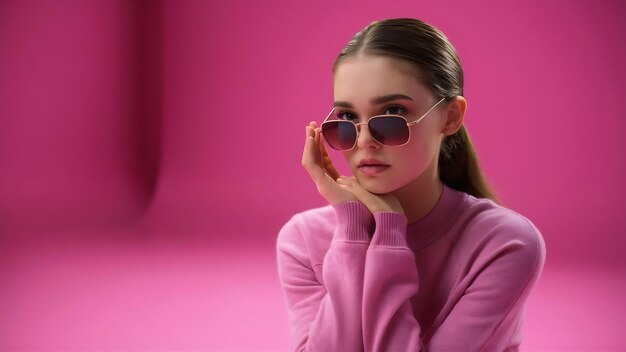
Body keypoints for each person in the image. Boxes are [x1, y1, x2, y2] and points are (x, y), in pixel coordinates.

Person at [276, 18, 546, 352]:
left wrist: (389, 236)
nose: (363, 140)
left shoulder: (506, 244)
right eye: (346, 118)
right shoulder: (302, 240)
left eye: (392, 111)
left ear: (449, 118)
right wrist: (352, 231)